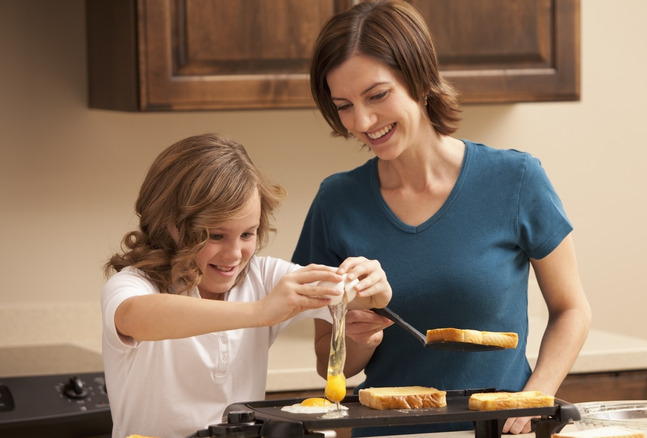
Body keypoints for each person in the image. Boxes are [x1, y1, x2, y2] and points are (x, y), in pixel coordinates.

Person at [292, 1, 591, 436]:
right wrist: (360, 336)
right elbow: (329, 363)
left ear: (420, 79)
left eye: (377, 95)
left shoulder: (516, 179)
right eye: (344, 105)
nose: (363, 121)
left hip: (497, 430)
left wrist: (534, 399)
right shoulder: (335, 201)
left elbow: (572, 310)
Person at [101, 133, 392, 438]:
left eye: (247, 234)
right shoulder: (133, 284)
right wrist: (260, 312)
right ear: (168, 224)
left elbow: (350, 294)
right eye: (215, 236)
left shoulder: (263, 277)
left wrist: (374, 290)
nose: (234, 254)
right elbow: (135, 317)